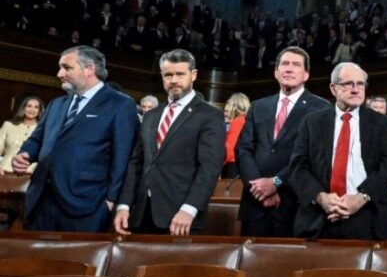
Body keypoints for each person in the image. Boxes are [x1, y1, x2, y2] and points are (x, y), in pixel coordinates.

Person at [12, 47, 139, 231]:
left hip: (86, 205)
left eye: (67, 68)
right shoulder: (57, 104)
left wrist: (110, 201)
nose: (59, 73)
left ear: (89, 69)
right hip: (41, 200)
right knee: (36, 260)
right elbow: (37, 140)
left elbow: (122, 158)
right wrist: (25, 154)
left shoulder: (120, 104)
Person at [114, 49, 225, 236]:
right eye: (168, 75)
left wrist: (189, 209)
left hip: (181, 217)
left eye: (180, 74)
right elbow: (136, 163)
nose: (173, 80)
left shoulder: (210, 115)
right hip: (141, 214)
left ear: (194, 75)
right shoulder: (150, 116)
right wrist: (124, 205)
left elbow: (209, 168)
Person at [287, 62, 387, 240]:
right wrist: (321, 197)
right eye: (348, 84)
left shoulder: (380, 123)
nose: (356, 89)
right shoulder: (312, 123)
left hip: (368, 215)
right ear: (333, 88)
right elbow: (298, 167)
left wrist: (361, 198)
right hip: (320, 218)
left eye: (360, 84)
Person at [235, 46, 332, 237]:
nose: (289, 68)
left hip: (293, 204)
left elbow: (314, 157)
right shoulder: (258, 106)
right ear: (276, 72)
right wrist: (258, 187)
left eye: (296, 65)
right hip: (255, 204)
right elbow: (243, 149)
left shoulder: (322, 109)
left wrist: (276, 183)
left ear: (306, 75)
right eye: (284, 64)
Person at [0, 96, 41, 173]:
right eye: (29, 106)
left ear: (39, 111)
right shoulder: (8, 125)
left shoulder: (43, 130)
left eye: (36, 107)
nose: (32, 110)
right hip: (4, 171)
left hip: (31, 174)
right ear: (23, 108)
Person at [221, 92, 250, 179]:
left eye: (226, 110)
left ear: (235, 107)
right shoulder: (246, 121)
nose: (224, 113)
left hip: (233, 166)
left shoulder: (237, 122)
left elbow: (230, 149)